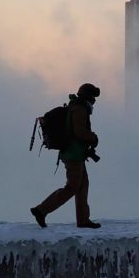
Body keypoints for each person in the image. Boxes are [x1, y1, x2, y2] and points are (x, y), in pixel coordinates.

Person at [31, 83, 102, 229]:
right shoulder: (79, 110)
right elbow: (80, 132)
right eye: (93, 97)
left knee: (82, 185)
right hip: (73, 154)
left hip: (75, 153)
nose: (94, 101)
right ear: (87, 96)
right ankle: (41, 210)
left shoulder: (76, 107)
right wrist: (93, 137)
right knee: (72, 187)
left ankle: (83, 220)